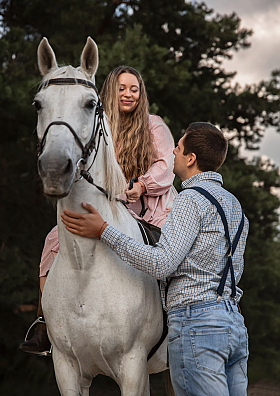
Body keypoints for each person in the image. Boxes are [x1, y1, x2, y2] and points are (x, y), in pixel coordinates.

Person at [60, 122, 249, 396]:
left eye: (179, 147)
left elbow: (162, 263)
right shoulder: (234, 204)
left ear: (191, 158)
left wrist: (104, 231)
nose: (173, 151)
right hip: (234, 323)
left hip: (197, 323)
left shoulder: (190, 199)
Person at [19, 66, 177, 355]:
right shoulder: (98, 124)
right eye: (121, 88)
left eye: (134, 88)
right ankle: (44, 322)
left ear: (141, 95)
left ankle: (175, 316)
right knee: (54, 240)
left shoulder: (154, 126)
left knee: (166, 252)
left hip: (149, 207)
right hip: (109, 207)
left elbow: (166, 166)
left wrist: (141, 185)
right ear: (109, 92)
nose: (128, 93)